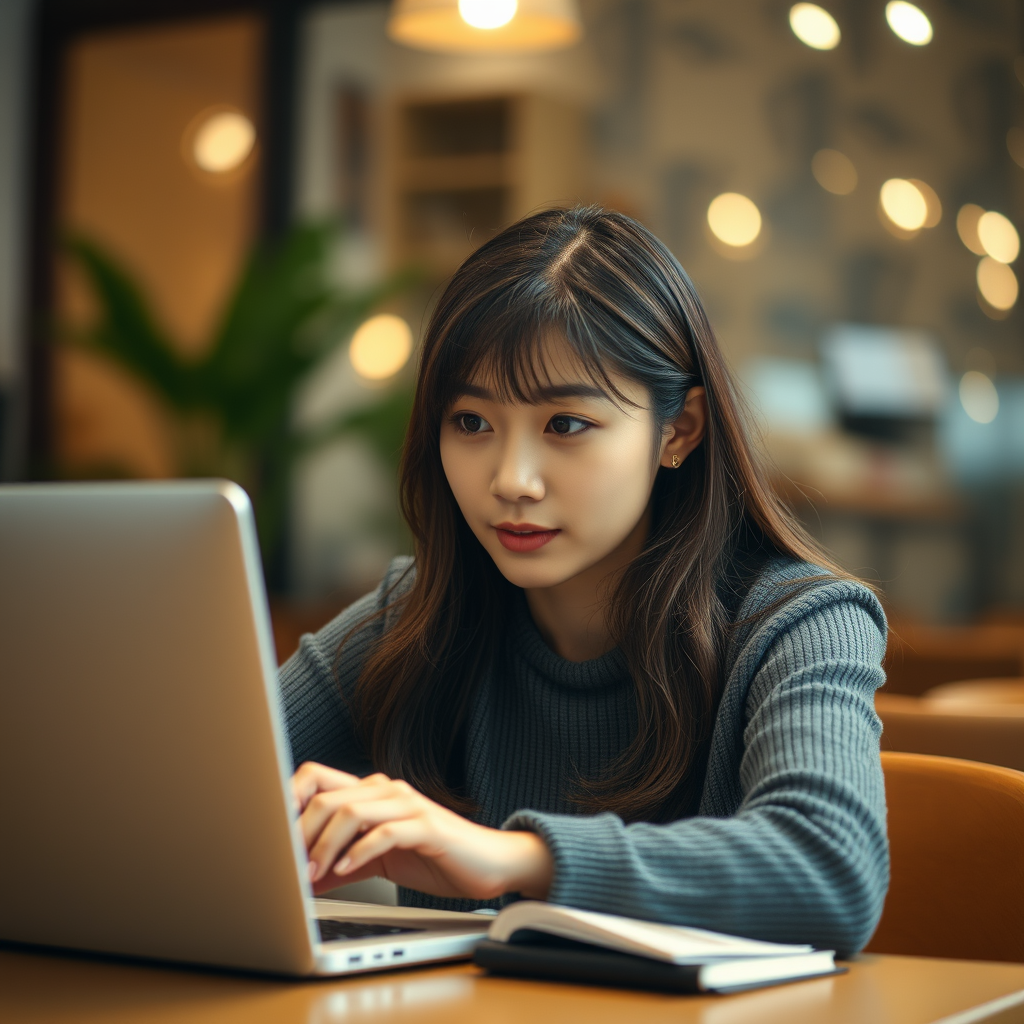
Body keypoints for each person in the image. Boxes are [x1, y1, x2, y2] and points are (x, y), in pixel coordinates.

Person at [280, 207, 888, 956]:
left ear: (679, 431)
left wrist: (506, 858)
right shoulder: (413, 617)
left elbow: (830, 874)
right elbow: (187, 789)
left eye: (565, 424)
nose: (511, 481)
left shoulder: (799, 622)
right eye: (471, 422)